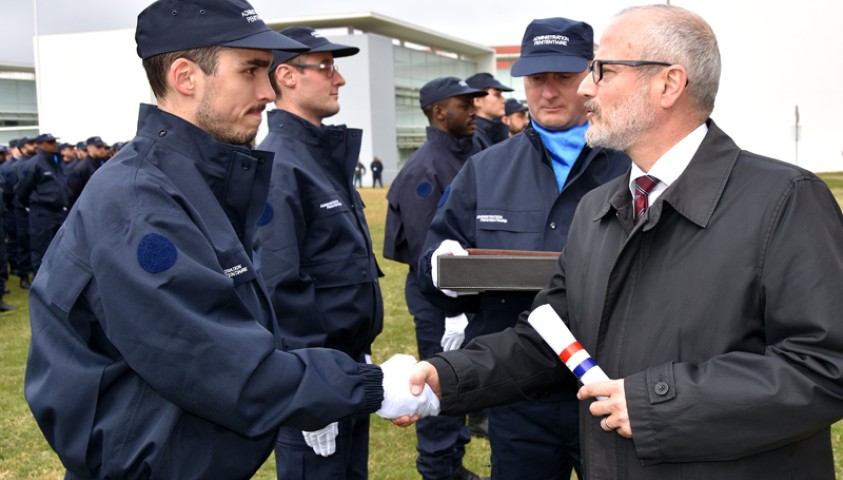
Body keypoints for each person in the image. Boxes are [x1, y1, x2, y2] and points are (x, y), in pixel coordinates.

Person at [401, 4, 843, 479]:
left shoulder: (784, 201)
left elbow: (822, 367)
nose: (585, 87)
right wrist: (448, 377)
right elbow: (548, 339)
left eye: (602, 70)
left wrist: (655, 402)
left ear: (669, 84)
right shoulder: (598, 209)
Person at [23, 2, 437, 478]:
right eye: (251, 70)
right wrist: (371, 385)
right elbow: (219, 365)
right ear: (185, 77)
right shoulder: (140, 204)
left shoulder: (190, 183)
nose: (267, 89)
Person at [418, 17, 630, 480]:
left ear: (591, 76)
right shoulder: (484, 170)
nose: (548, 92)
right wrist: (444, 268)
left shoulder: (631, 165)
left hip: (610, 394)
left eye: (563, 78)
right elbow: (431, 263)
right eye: (537, 79)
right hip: (517, 395)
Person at [253, 25, 384, 480]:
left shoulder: (319, 158)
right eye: (326, 67)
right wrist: (310, 391)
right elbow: (279, 284)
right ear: (286, 76)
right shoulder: (282, 164)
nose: (339, 79)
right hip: (315, 379)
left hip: (347, 366)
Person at [384, 76, 488, 480]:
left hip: (466, 295)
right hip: (439, 302)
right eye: (464, 104)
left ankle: (452, 463)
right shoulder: (426, 168)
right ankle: (438, 466)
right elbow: (428, 248)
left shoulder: (465, 156)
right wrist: (450, 313)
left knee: (462, 383)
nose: (474, 110)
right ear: (440, 112)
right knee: (437, 382)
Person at [14, 133, 69, 275]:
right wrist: (33, 204)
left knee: (60, 248)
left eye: (54, 142)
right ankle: (40, 284)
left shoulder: (58, 162)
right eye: (50, 142)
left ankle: (56, 280)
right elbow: (21, 190)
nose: (54, 144)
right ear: (40, 145)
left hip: (59, 211)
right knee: (40, 249)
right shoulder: (33, 164)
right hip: (41, 212)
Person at [12, 136, 36, 289]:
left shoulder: (36, 163)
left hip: (34, 209)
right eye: (30, 144)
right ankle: (23, 276)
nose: (34, 146)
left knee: (36, 243)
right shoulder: (16, 166)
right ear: (22, 148)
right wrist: (25, 204)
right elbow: (15, 190)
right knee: (23, 242)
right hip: (21, 209)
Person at [465, 72, 512, 151]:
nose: (504, 100)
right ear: (477, 101)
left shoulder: (493, 131)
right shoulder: (472, 138)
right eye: (497, 95)